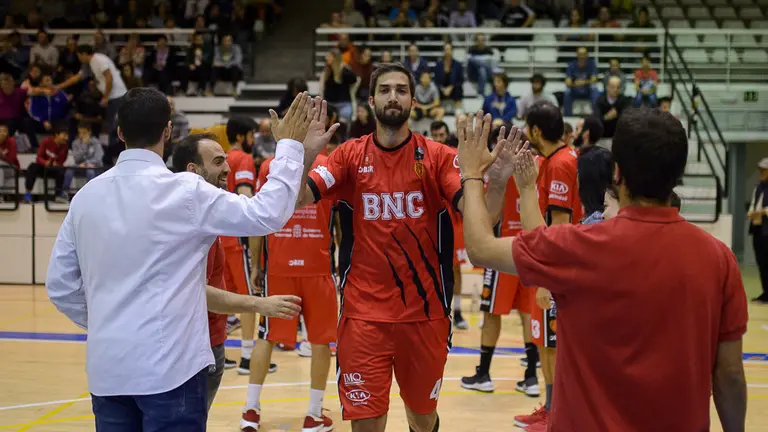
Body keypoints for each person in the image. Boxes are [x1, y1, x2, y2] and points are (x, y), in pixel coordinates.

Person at [45, 88, 336, 429]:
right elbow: (268, 214)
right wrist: (289, 147)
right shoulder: (185, 191)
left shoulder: (85, 197)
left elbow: (60, 286)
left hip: (107, 370)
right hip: (171, 370)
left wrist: (109, 323)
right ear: (168, 131)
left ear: (119, 132)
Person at [457, 107, 748, 432]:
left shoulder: (577, 247)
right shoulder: (720, 260)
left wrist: (472, 174)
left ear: (618, 173)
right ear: (679, 174)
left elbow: (480, 247)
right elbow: (730, 375)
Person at [295, 64, 513, 432]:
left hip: (424, 317)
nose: (392, 96)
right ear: (370, 100)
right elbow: (299, 198)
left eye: (400, 90)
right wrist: (302, 155)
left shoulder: (438, 157)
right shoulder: (348, 155)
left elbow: (484, 219)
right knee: (366, 423)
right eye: (384, 90)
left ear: (413, 100)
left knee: (422, 419)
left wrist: (499, 183)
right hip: (363, 317)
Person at [241, 101, 340, 431]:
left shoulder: (270, 165)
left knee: (266, 337)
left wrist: (256, 265)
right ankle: (314, 414)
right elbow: (338, 226)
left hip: (280, 266)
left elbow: (258, 220)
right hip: (317, 265)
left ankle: (250, 411)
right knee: (322, 340)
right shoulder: (326, 164)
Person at [510, 101, 582, 430]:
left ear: (537, 131)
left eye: (528, 128)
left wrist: (547, 279)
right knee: (546, 342)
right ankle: (552, 408)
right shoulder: (553, 160)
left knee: (553, 344)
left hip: (561, 270)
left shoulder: (561, 164)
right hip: (557, 266)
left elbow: (562, 226)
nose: (526, 134)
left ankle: (556, 413)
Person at [461, 125, 539, 397]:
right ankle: (531, 377)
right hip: (531, 250)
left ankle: (484, 373)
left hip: (502, 249)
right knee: (528, 313)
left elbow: (485, 212)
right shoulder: (535, 167)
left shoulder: (499, 170)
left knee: (492, 313)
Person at [170, 132, 240, 410]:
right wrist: (261, 305)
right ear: (193, 170)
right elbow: (198, 292)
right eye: (219, 161)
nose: (228, 168)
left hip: (203, 340)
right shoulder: (194, 221)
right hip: (199, 347)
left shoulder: (195, 212)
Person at [221, 115, 278, 376]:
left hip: (218, 237)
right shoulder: (242, 159)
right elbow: (245, 194)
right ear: (243, 136)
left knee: (223, 299)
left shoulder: (221, 158)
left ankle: (218, 355)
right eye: (252, 134)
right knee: (246, 300)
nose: (254, 139)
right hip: (237, 238)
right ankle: (246, 357)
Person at [56, 45, 128, 165]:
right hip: (111, 98)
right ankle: (108, 159)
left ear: (83, 54)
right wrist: (58, 87)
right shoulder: (89, 64)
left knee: (114, 128)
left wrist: (105, 96)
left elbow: (109, 77)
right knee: (109, 128)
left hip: (117, 96)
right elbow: (77, 78)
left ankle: (115, 160)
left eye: (79, 56)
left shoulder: (99, 59)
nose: (79, 59)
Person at [430, 120, 466, 329]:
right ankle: (437, 310)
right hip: (432, 220)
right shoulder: (423, 156)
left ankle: (458, 311)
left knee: (456, 268)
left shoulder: (453, 156)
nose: (438, 138)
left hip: (455, 219)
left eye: (441, 134)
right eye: (435, 135)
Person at [24, 124, 69, 203]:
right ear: (57, 135)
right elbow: (38, 157)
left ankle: (58, 195)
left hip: (53, 169)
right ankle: (28, 194)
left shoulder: (65, 146)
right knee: (32, 167)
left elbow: (61, 161)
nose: (66, 138)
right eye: (64, 135)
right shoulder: (46, 141)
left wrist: (56, 164)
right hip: (43, 167)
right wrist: (45, 162)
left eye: (67, 135)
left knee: (61, 171)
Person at [63, 123, 104, 198]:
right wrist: (84, 146)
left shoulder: (96, 142)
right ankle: (64, 193)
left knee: (90, 171)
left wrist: (86, 163)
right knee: (69, 170)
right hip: (80, 166)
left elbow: (98, 158)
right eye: (80, 133)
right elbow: (77, 158)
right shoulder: (75, 143)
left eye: (84, 133)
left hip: (95, 167)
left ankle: (91, 195)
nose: (81, 135)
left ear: (89, 132)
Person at [749, 157, 768, 304]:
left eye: (764, 170)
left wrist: (761, 212)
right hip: (758, 229)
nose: (761, 172)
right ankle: (765, 292)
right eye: (760, 169)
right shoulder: (758, 188)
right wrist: (752, 213)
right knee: (761, 262)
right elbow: (753, 206)